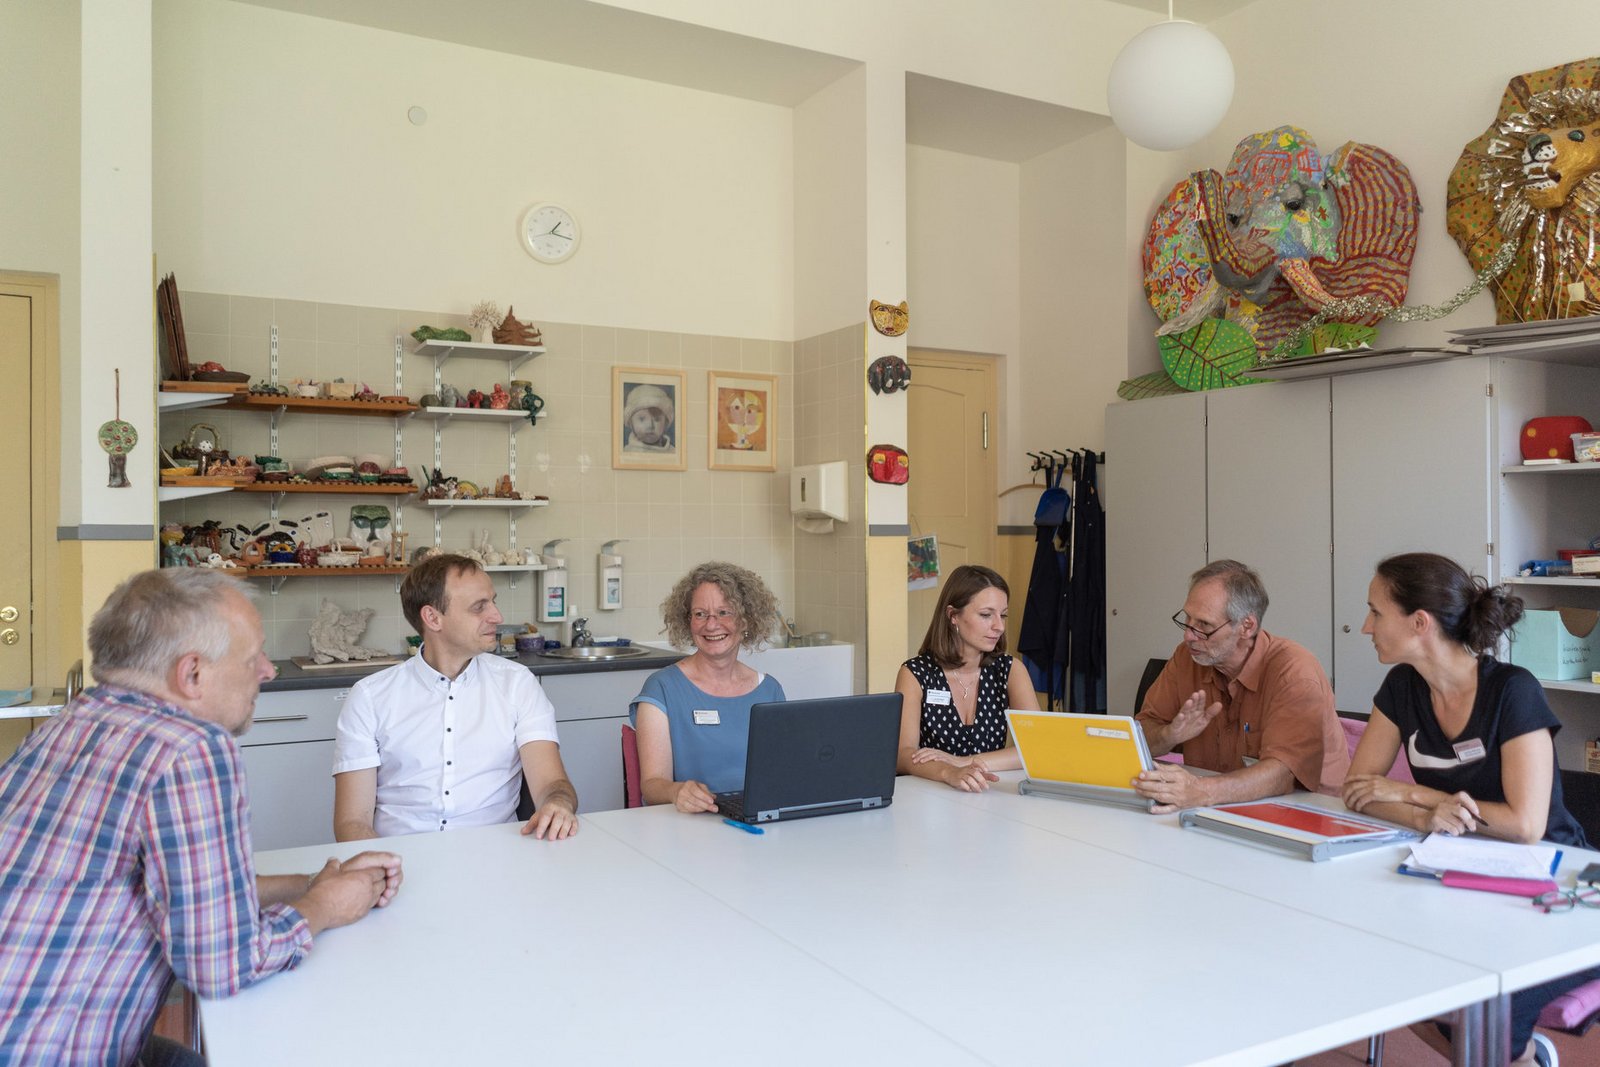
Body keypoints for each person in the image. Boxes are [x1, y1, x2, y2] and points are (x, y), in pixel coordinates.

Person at [0, 568, 401, 1066]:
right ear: (191, 674)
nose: (269, 671)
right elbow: (224, 964)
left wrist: (308, 883)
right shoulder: (189, 748)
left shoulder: (70, 722)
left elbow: (178, 892)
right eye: (253, 656)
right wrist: (326, 906)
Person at [1344, 552, 1597, 1067]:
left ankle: (1516, 1055)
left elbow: (1525, 827)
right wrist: (1426, 819)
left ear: (1419, 623)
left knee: (1486, 1017)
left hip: (1561, 888)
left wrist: (1418, 795)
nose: (1366, 626)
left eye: (1376, 612)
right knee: (1391, 974)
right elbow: (1358, 790)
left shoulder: (1513, 690)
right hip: (1463, 876)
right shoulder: (1401, 688)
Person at [333, 553, 578, 841]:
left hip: (498, 854)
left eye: (493, 601)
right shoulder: (369, 697)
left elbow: (552, 783)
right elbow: (352, 822)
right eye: (479, 607)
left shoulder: (517, 683)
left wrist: (558, 803)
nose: (497, 616)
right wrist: (381, 871)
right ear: (433, 618)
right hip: (401, 859)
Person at [1134, 559, 1348, 813]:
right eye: (1187, 619)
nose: (1188, 635)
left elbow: (1282, 774)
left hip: (1310, 814)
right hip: (1219, 808)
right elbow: (1139, 736)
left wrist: (1200, 791)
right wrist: (1169, 735)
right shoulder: (1186, 658)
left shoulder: (1294, 671)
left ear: (1247, 627)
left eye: (1204, 625)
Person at [631, 561, 785, 812]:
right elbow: (651, 785)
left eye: (724, 612)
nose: (711, 625)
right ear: (687, 621)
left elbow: (783, 773)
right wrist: (676, 791)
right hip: (689, 828)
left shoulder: (770, 690)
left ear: (746, 621)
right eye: (700, 614)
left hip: (757, 821)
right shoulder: (662, 688)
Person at [895, 564, 1040, 792]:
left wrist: (965, 761)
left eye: (1002, 615)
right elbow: (903, 755)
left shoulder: (1011, 670)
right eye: (986, 615)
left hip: (988, 794)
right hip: (930, 799)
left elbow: (1037, 748)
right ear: (953, 615)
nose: (999, 626)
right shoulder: (915, 673)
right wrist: (948, 771)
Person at [622, 383, 675, 452]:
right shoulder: (626, 452)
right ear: (630, 423)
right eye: (642, 419)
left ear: (666, 423)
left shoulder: (673, 451)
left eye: (657, 419)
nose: (650, 426)